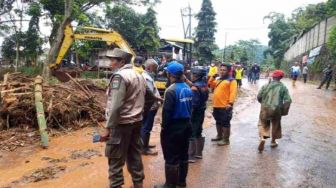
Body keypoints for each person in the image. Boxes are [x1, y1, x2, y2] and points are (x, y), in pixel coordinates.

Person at [99, 48, 146, 188]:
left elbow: (115, 106)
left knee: (115, 160)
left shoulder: (120, 77)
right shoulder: (139, 75)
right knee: (135, 155)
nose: (110, 63)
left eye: (113, 60)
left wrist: (108, 128)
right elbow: (148, 96)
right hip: (136, 122)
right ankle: (138, 184)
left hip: (121, 125)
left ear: (122, 61)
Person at [156, 61, 193, 188]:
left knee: (171, 156)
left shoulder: (171, 90)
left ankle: (170, 184)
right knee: (183, 155)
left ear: (169, 74)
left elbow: (167, 113)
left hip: (174, 127)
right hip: (187, 125)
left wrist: (164, 128)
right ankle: (181, 182)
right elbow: (190, 108)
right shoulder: (188, 88)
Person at [257, 70, 292, 153]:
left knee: (263, 124)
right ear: (281, 78)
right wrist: (283, 111)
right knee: (276, 125)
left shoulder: (266, 86)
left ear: (273, 76)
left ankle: (262, 138)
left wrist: (263, 103)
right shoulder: (283, 87)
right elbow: (288, 100)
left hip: (265, 109)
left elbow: (259, 96)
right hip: (277, 110)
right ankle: (273, 142)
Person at [208, 64, 238, 146]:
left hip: (225, 106)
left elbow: (233, 93)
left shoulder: (232, 80)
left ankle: (226, 140)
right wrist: (213, 76)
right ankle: (219, 136)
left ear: (228, 71)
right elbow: (210, 84)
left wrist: (230, 103)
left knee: (225, 122)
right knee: (218, 121)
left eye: (224, 70)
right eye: (220, 69)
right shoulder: (218, 80)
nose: (222, 71)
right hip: (216, 105)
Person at [185, 66, 209, 163]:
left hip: (195, 112)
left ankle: (190, 156)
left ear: (196, 75)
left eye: (192, 74)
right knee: (199, 130)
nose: (190, 75)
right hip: (201, 111)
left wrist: (189, 115)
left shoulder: (194, 88)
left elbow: (193, 104)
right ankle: (199, 153)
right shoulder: (204, 85)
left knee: (191, 132)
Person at [141, 59, 162, 156]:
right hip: (150, 107)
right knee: (146, 127)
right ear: (149, 67)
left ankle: (145, 144)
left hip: (149, 106)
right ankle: (144, 148)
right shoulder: (147, 78)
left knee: (146, 126)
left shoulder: (146, 76)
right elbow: (149, 95)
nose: (156, 70)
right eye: (155, 68)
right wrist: (159, 100)